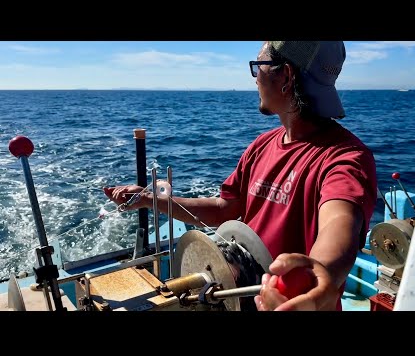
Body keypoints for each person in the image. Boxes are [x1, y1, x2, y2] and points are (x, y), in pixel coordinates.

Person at [104, 41, 377, 311]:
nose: (256, 80)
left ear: (286, 75)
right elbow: (225, 209)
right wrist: (152, 200)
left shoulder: (345, 158)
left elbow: (340, 222)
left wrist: (321, 273)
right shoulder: (262, 146)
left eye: (259, 67)